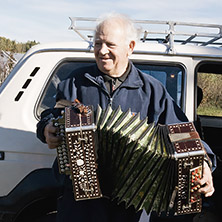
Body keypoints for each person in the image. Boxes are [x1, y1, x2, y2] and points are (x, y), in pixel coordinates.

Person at [37, 13, 216, 222]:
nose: (102, 51)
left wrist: (203, 161)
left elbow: (182, 131)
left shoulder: (151, 90)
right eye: (98, 43)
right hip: (78, 200)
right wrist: (46, 128)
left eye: (110, 44)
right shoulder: (74, 82)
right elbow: (53, 114)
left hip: (125, 200)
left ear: (130, 47)